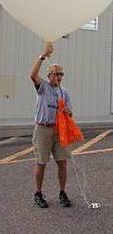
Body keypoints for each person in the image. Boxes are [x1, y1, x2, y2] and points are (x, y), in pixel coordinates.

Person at [30, 44, 72, 208]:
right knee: (42, 162)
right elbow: (32, 75)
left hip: (58, 130)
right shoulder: (43, 87)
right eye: (54, 73)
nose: (58, 76)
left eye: (60, 73)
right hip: (42, 129)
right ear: (48, 75)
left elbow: (70, 114)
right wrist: (43, 56)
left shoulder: (64, 92)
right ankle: (38, 193)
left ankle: (62, 192)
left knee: (62, 162)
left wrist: (68, 111)